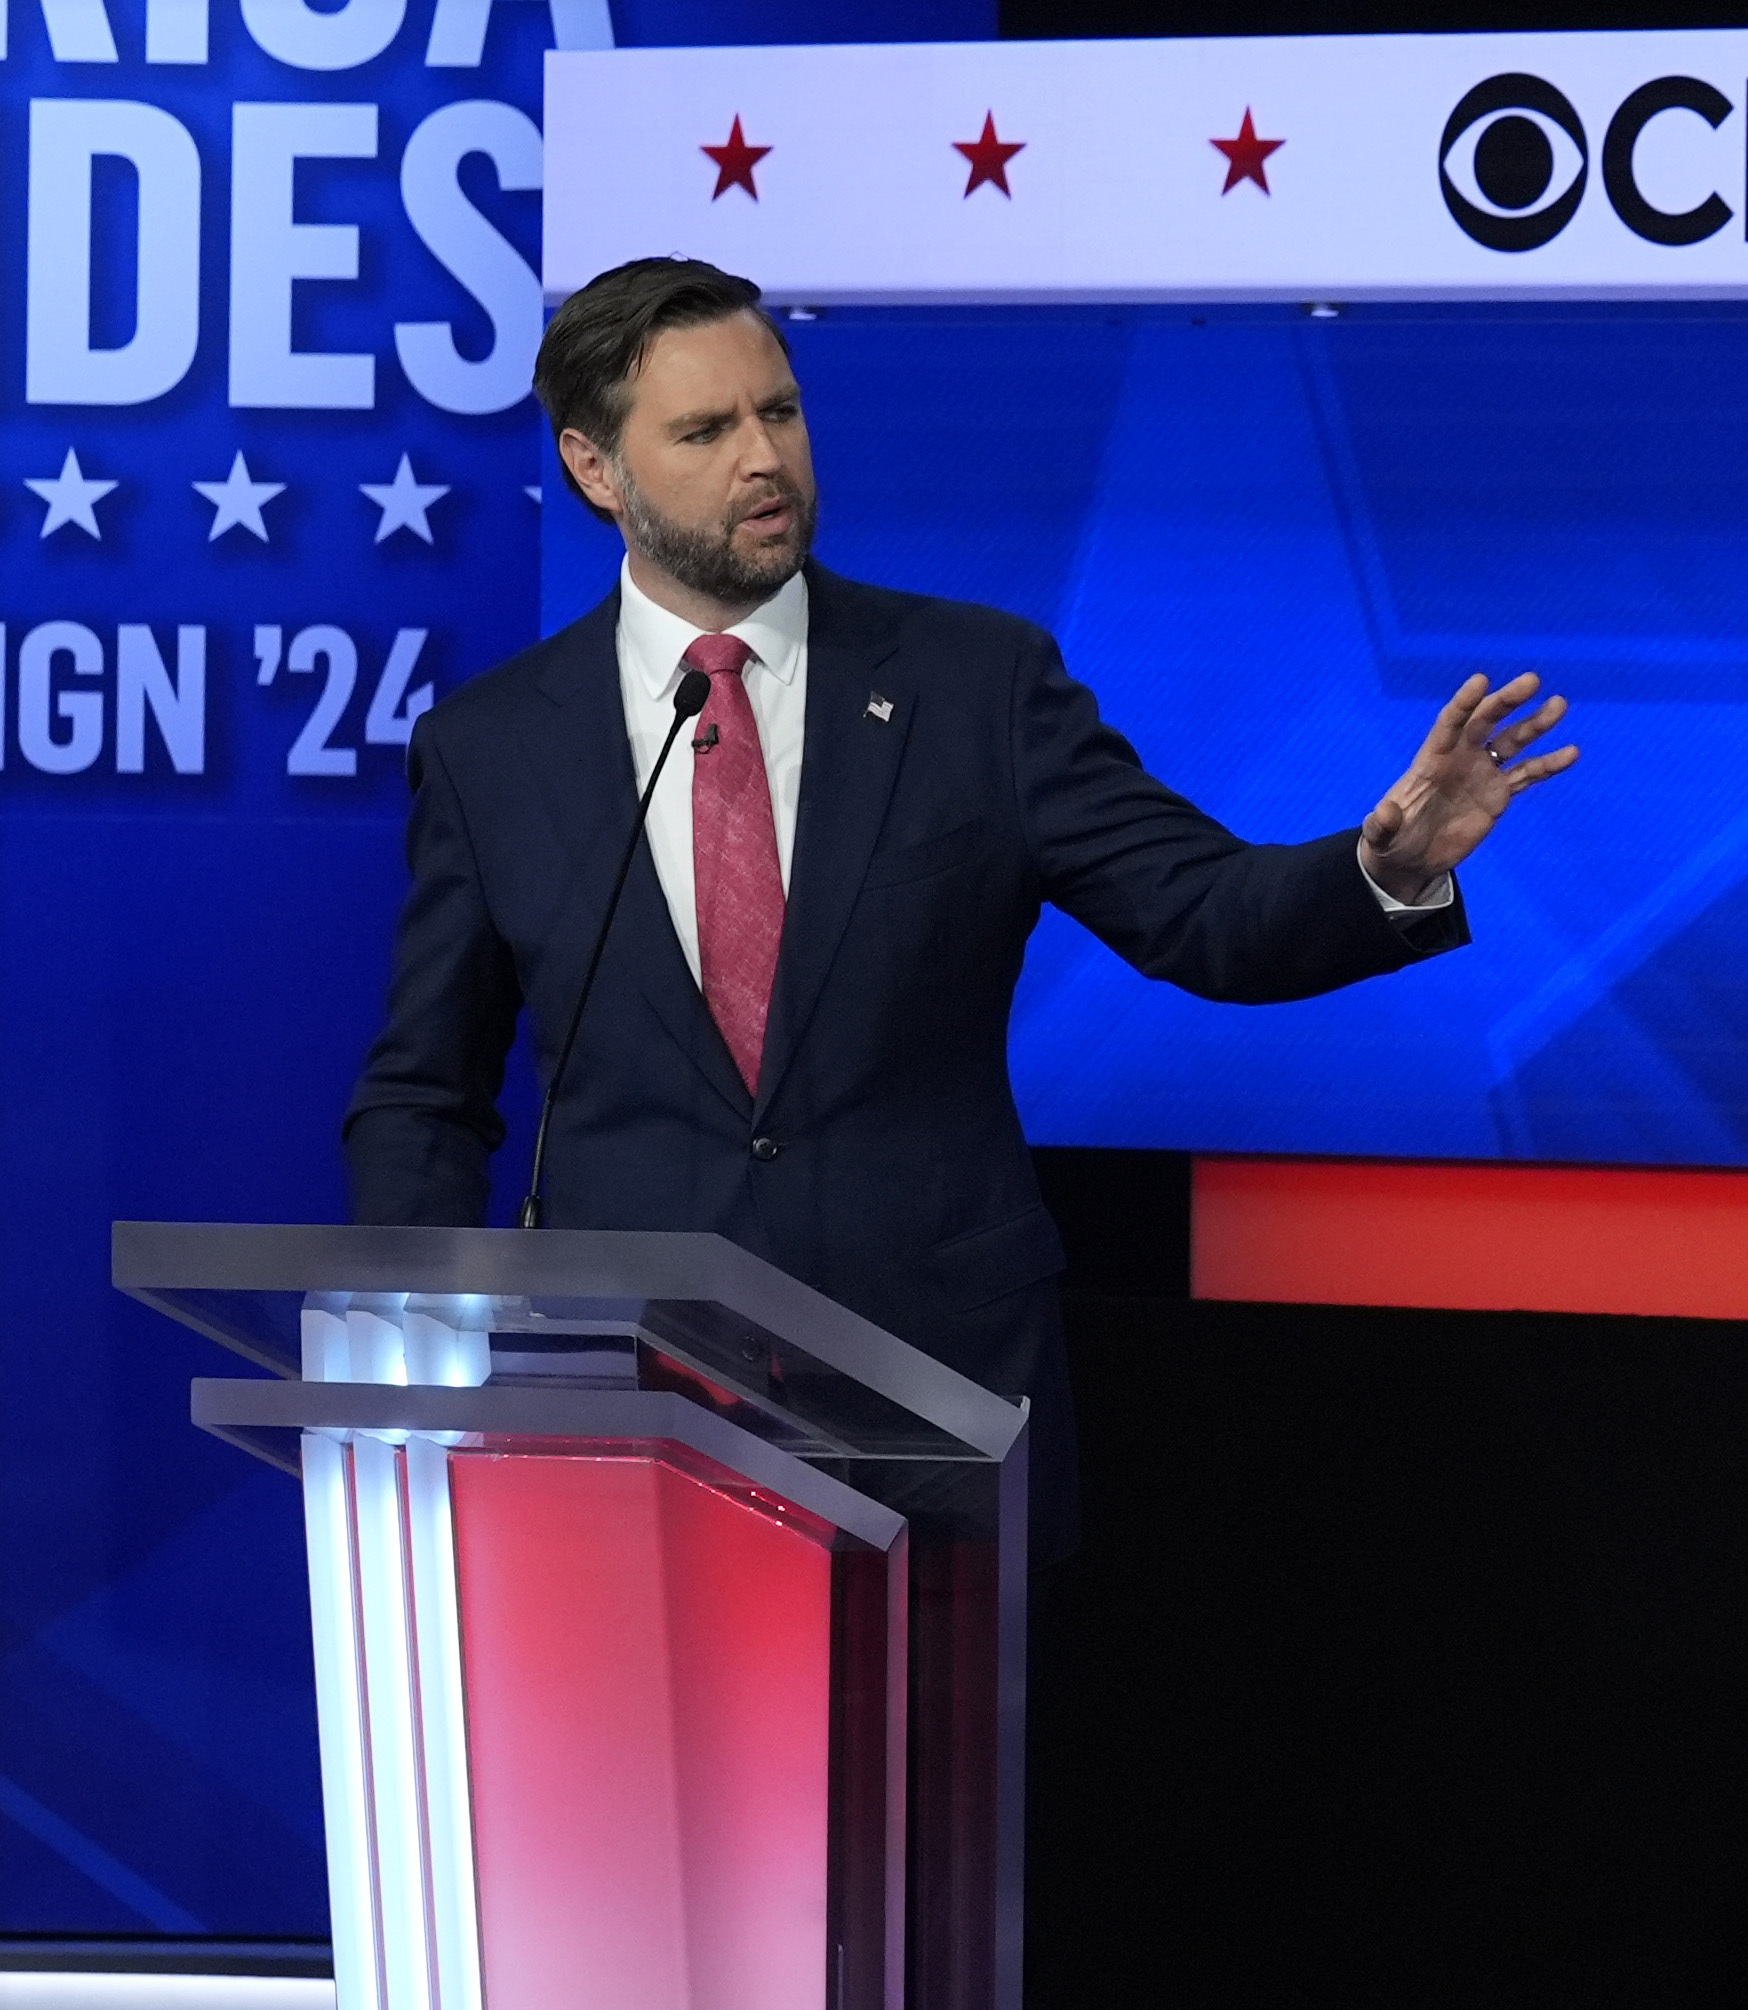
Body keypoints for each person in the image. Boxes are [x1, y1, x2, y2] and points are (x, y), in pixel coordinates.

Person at [342, 255, 1576, 1546]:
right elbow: (426, 1089)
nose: (763, 458)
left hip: (932, 1392)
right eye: (705, 431)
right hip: (632, 1398)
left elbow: (1204, 916)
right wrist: (404, 1337)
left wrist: (1385, 862)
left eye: (781, 412)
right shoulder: (494, 749)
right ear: (596, 470)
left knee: (944, 1750)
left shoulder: (973, 682)